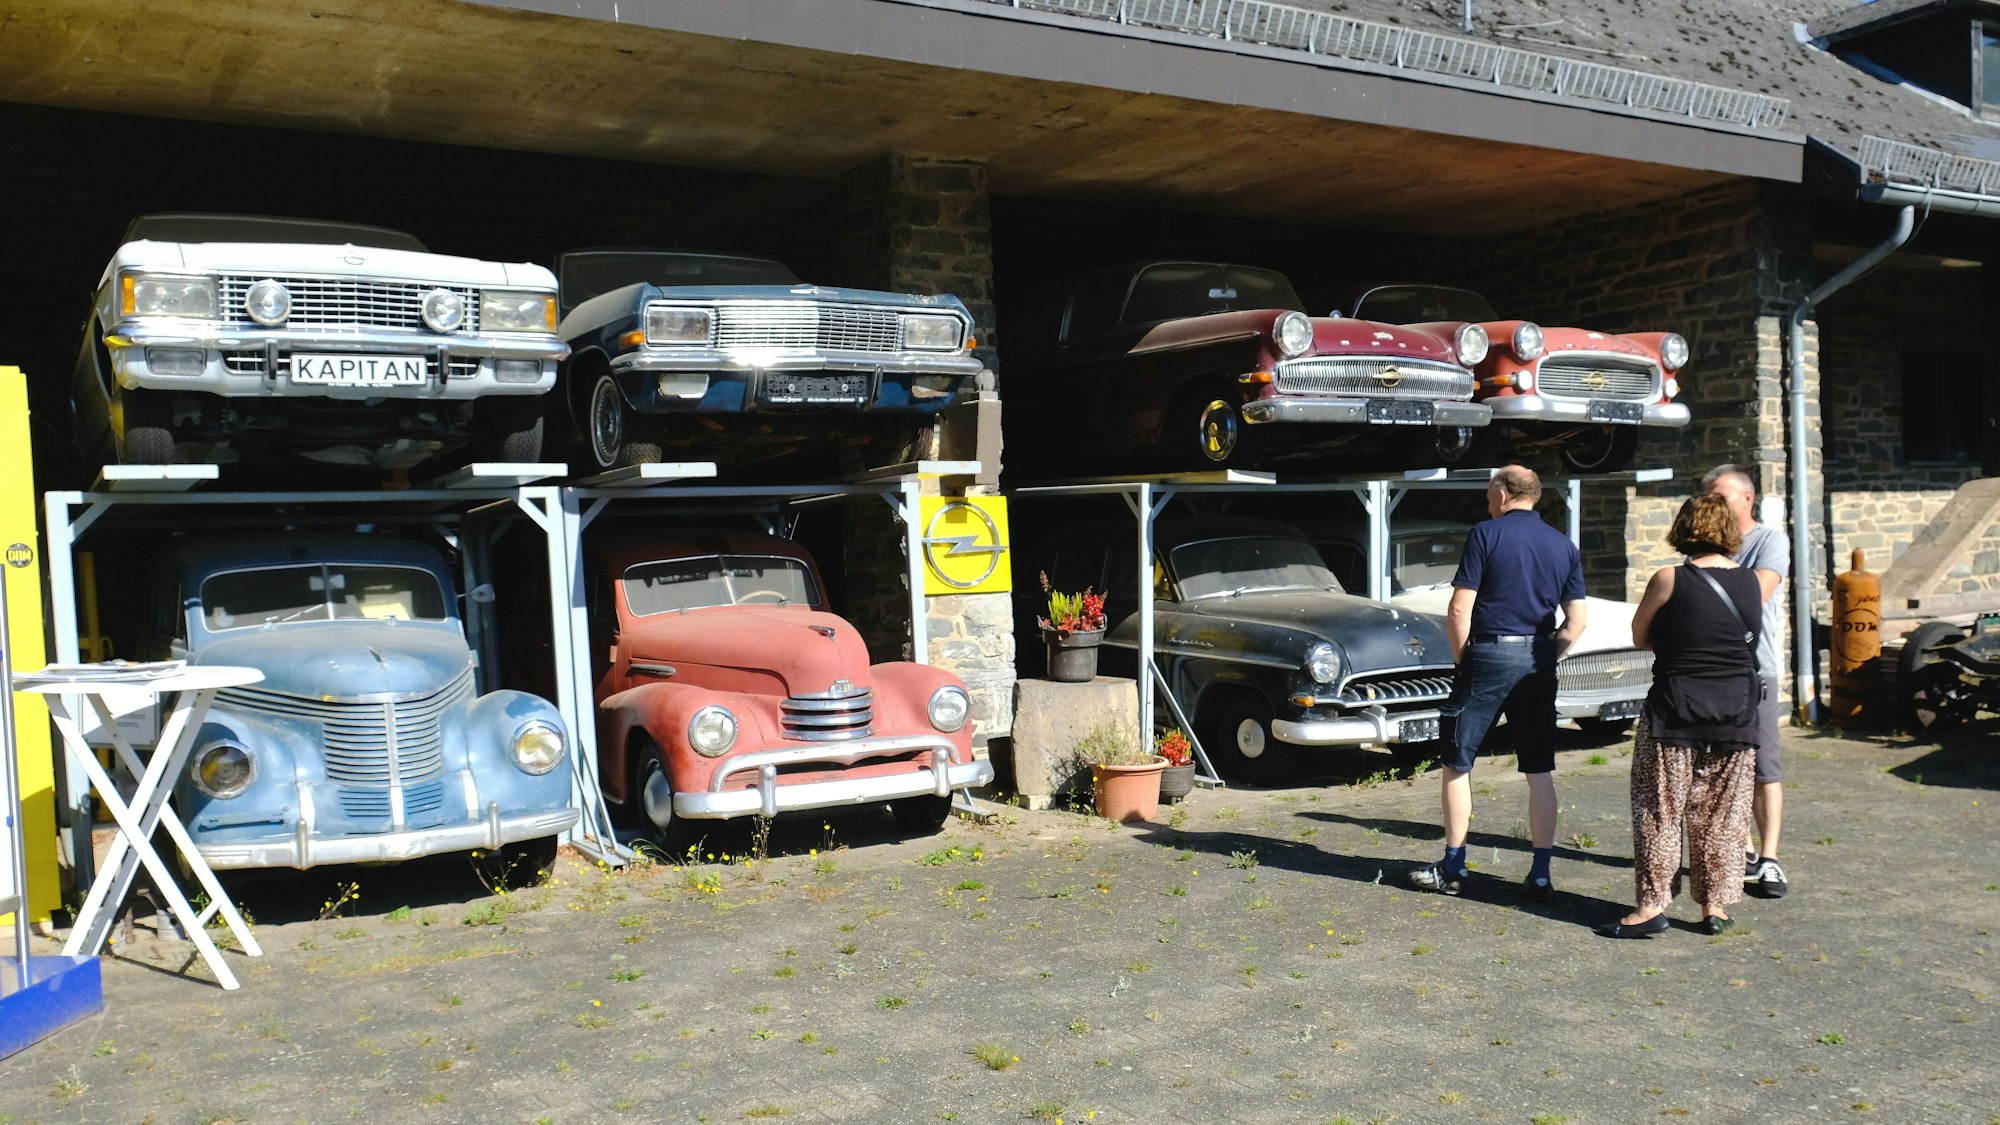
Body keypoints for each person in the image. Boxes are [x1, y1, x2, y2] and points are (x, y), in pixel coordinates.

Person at [1598, 494, 1780, 938]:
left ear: (1685, 528)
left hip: (1675, 712)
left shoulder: (1669, 578)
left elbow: (1640, 636)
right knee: (1722, 815)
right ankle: (1714, 907)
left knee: (1659, 810)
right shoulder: (1752, 583)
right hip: (1736, 711)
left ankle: (1651, 906)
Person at [1410, 465, 1586, 901]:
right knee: (1539, 769)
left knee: (1457, 761)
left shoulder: (1486, 535)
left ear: (1503, 494)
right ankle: (1541, 874)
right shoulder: (1563, 546)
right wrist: (1545, 655)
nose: (1488, 501)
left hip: (1488, 653)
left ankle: (1453, 866)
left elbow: (1458, 609)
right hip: (1537, 658)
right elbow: (1577, 622)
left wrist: (1463, 659)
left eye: (1490, 493)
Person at [1702, 464, 1792, 899]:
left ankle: (1771, 859)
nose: (1712, 504)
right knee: (1722, 766)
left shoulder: (1770, 541)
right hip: (1713, 674)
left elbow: (1759, 592)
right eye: (1708, 497)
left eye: (1720, 496)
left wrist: (1703, 585)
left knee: (1764, 766)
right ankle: (1745, 851)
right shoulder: (1701, 549)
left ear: (1747, 499)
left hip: (1756, 671)